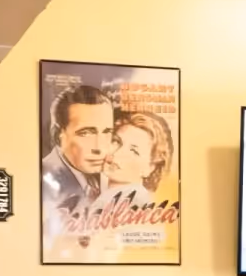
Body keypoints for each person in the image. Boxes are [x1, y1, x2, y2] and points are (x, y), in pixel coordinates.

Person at [41, 84, 115, 213]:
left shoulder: (111, 177)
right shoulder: (42, 180)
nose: (99, 148)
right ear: (57, 135)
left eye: (107, 132)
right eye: (85, 133)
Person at [102, 110, 174, 201]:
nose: (117, 154)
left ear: (150, 167)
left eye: (134, 151)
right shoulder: (104, 196)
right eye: (116, 141)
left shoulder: (135, 203)